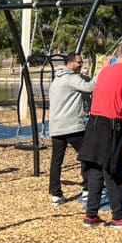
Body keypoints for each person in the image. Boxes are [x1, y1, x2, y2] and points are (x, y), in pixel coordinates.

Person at [77, 42, 122, 229]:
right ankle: (118, 216)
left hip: (93, 123)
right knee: (115, 170)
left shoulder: (105, 71)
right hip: (111, 126)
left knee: (95, 169)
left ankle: (91, 215)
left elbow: (114, 97)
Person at [46, 52, 97, 205]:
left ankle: (55, 193)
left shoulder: (56, 79)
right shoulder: (71, 78)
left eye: (81, 62)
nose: (81, 65)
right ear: (70, 63)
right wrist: (102, 71)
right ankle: (88, 188)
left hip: (56, 126)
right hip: (72, 126)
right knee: (87, 155)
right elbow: (89, 87)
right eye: (78, 62)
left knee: (56, 161)